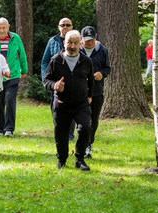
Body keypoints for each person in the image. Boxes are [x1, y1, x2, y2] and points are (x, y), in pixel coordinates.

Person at [43, 30, 94, 171]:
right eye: (69, 43)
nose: (72, 46)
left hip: (81, 103)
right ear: (64, 43)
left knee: (85, 128)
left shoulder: (86, 61)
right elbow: (46, 80)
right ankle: (62, 159)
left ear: (80, 44)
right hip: (61, 104)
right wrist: (55, 86)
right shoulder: (56, 60)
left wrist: (90, 96)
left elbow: (91, 81)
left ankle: (80, 159)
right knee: (61, 133)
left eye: (76, 43)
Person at [41, 17, 76, 141]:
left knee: (72, 107)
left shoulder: (76, 40)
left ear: (72, 27)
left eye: (68, 25)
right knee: (56, 108)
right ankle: (60, 132)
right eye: (62, 25)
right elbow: (45, 61)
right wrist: (46, 78)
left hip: (72, 81)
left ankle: (70, 134)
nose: (65, 27)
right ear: (59, 27)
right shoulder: (52, 41)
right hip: (56, 82)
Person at [80, 26, 111, 159]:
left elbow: (107, 68)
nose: (89, 43)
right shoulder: (77, 50)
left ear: (96, 37)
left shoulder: (102, 50)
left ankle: (90, 141)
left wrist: (101, 74)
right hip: (80, 92)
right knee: (83, 120)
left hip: (97, 91)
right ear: (81, 39)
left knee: (94, 120)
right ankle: (84, 147)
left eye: (91, 40)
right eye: (86, 40)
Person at [0, 17, 28, 137]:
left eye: (4, 27)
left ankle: (9, 129)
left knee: (9, 100)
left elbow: (22, 55)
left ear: (8, 27)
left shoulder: (15, 38)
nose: (2, 30)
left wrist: (24, 70)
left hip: (12, 75)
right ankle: (0, 129)